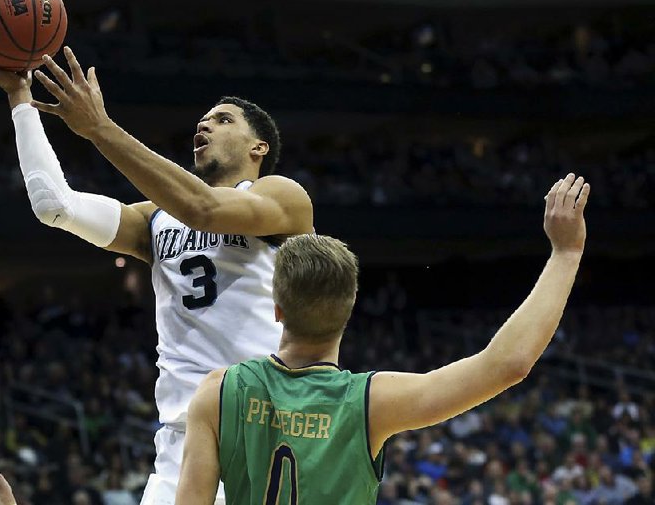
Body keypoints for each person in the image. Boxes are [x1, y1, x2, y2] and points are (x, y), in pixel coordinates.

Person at [0, 38, 314, 504]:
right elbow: (55, 205)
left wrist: (100, 128)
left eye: (223, 118)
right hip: (180, 444)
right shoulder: (154, 218)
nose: (205, 123)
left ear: (258, 147)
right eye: (203, 119)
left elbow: (203, 208)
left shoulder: (281, 196)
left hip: (264, 432)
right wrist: (20, 99)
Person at [175, 173, 590, 504]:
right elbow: (508, 364)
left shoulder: (218, 391)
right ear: (349, 310)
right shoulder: (369, 403)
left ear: (277, 309)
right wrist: (565, 254)